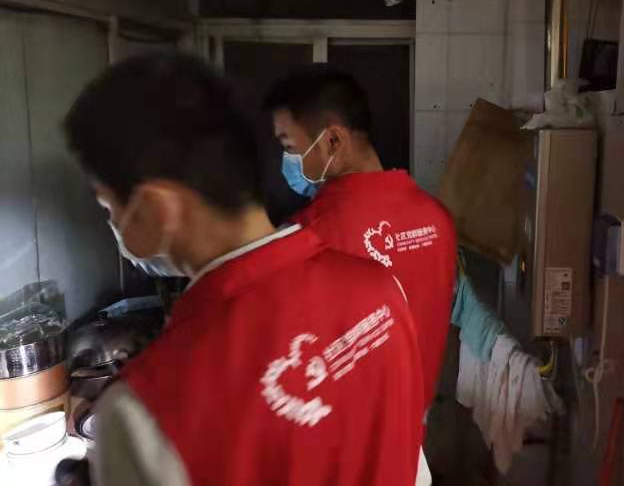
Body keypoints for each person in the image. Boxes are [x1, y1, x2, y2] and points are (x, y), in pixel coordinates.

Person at [63, 54, 424, 486]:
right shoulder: (383, 291)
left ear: (156, 208)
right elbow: (415, 471)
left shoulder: (145, 411)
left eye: (109, 207)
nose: (114, 224)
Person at [263, 65, 457, 410]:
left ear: (333, 141)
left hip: (343, 433)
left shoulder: (306, 237)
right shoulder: (437, 220)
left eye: (289, 146)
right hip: (413, 425)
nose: (287, 160)